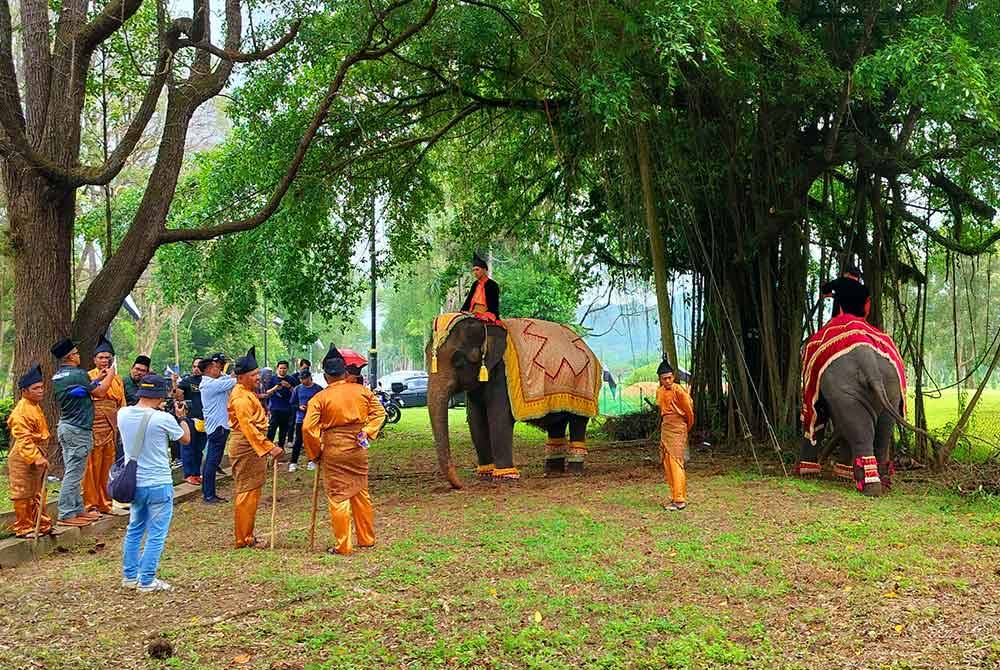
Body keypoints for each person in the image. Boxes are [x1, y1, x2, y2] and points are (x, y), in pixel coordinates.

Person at [303, 344, 386, 555]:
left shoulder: (319, 398)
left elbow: (308, 428)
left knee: (338, 495)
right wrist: (367, 431)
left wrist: (315, 453)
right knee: (360, 491)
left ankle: (343, 545)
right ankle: (366, 538)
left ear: (326, 376)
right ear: (345, 372)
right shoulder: (362, 392)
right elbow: (380, 413)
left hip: (335, 450)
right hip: (358, 448)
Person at [119, 374, 190, 593]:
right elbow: (185, 439)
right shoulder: (163, 418)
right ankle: (147, 580)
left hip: (134, 483)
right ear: (160, 396)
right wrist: (182, 418)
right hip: (158, 482)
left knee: (134, 529)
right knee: (156, 534)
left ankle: (130, 576)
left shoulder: (122, 414)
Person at [51, 337, 115, 527]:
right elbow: (100, 393)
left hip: (66, 426)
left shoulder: (59, 376)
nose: (79, 356)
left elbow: (81, 390)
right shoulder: (78, 374)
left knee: (75, 470)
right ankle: (66, 513)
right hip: (78, 429)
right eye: (77, 353)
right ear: (70, 356)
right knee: (74, 473)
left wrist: (98, 379)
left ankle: (78, 510)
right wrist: (111, 374)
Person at [227, 347, 283, 548]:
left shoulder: (247, 393)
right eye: (253, 375)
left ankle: (247, 534)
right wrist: (269, 447)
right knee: (247, 491)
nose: (258, 378)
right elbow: (248, 427)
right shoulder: (241, 397)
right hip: (246, 445)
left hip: (252, 445)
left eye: (258, 373)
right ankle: (244, 538)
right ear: (240, 377)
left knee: (252, 491)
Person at [6, 364, 52, 538]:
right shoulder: (20, 411)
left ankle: (42, 524)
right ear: (25, 391)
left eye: (41, 387)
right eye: (36, 388)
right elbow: (23, 438)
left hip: (37, 451)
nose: (41, 391)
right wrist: (36, 457)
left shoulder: (34, 406)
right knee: (23, 492)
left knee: (37, 491)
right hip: (22, 455)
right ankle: (24, 527)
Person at [83, 335, 126, 516]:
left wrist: (122, 424)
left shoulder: (117, 378)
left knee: (107, 465)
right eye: (101, 357)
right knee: (92, 466)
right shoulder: (88, 376)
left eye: (108, 357)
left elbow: (121, 403)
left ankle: (105, 503)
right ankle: (90, 505)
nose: (104, 360)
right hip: (95, 424)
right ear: (94, 359)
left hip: (112, 425)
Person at [656, 359, 695, 512]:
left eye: (669, 377)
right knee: (667, 463)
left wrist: (685, 428)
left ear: (673, 377)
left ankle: (679, 500)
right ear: (660, 379)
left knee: (676, 463)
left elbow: (689, 412)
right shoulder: (659, 391)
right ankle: (674, 495)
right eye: (664, 378)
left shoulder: (679, 390)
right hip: (666, 427)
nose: (667, 381)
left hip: (678, 428)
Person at [198, 353, 236, 504]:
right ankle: (209, 495)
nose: (219, 368)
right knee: (212, 462)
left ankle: (208, 493)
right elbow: (234, 381)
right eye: (216, 367)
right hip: (218, 428)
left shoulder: (214, 382)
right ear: (208, 369)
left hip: (218, 427)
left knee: (212, 461)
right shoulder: (210, 385)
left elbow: (227, 378)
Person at [175, 356, 206, 486]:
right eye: (194, 366)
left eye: (199, 366)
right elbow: (178, 395)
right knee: (188, 447)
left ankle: (197, 473)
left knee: (199, 448)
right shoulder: (187, 381)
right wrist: (175, 386)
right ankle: (189, 474)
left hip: (204, 420)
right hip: (190, 419)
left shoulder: (208, 381)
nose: (196, 369)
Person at [288, 368, 323, 471]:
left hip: (314, 419)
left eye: (304, 379)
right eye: (301, 379)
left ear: (309, 377)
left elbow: (322, 403)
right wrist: (299, 407)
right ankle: (293, 462)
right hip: (300, 418)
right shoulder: (297, 389)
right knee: (298, 440)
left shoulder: (318, 389)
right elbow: (292, 403)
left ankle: (312, 460)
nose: (303, 381)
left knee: (312, 440)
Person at [262, 360, 295, 449]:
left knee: (283, 431)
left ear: (287, 369)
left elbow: (296, 393)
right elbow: (266, 392)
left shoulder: (291, 379)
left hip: (287, 409)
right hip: (275, 408)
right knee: (271, 429)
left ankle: (281, 449)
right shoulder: (272, 379)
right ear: (277, 368)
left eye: (284, 368)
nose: (282, 370)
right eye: (280, 368)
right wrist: (275, 388)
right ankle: (268, 448)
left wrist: (289, 386)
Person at [460, 253, 500, 319]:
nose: (475, 272)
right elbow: (468, 300)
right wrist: (462, 311)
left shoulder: (493, 285)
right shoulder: (475, 284)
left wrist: (486, 315)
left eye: (477, 269)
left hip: (485, 313)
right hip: (472, 312)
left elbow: (494, 305)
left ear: (484, 270)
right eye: (473, 270)